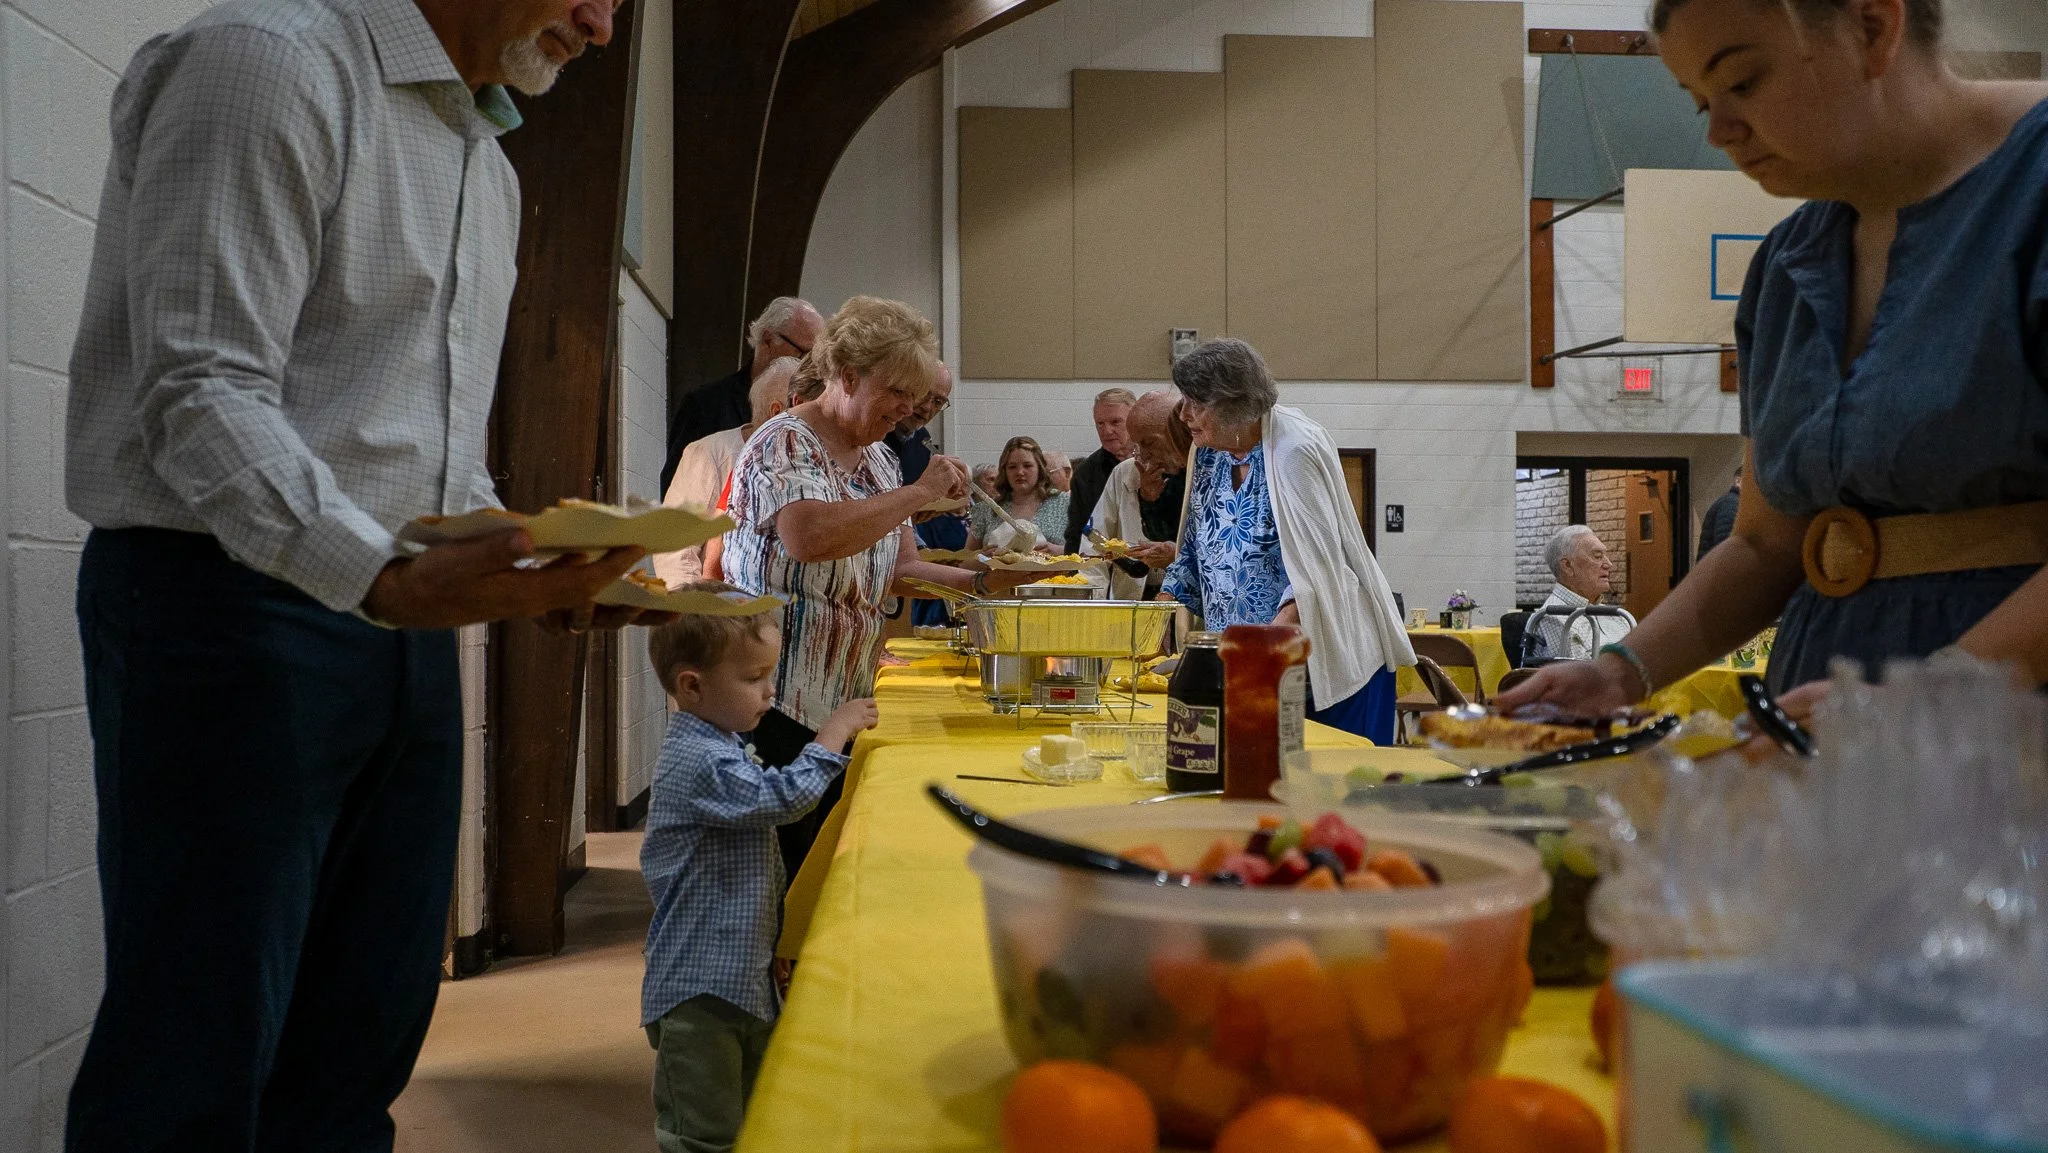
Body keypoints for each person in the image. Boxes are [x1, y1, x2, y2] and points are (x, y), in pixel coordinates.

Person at [62, 0, 665, 1148]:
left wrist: (532, 560)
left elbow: (413, 441)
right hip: (221, 608)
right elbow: (200, 387)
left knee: (360, 1038)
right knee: (195, 1047)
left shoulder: (484, 166)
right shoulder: (272, 61)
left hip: (390, 620)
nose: (596, 25)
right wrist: (379, 577)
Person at [1501, 0, 2048, 721]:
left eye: (1745, 82)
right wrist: (1619, 671)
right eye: (1700, 103)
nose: (1718, 132)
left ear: (1872, 27)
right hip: (1825, 720)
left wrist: (1927, 702)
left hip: (2007, 727)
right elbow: (1764, 544)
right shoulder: (1788, 265)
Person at [721, 297, 1029, 877]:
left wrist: (986, 585)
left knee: (818, 868)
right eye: (896, 393)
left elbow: (895, 569)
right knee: (768, 875)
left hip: (841, 702)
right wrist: (920, 493)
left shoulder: (878, 462)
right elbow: (808, 536)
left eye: (915, 398)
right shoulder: (785, 441)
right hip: (774, 700)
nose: (908, 409)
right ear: (847, 375)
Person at [639, 585, 877, 1153]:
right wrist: (834, 732)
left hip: (739, 975)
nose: (770, 692)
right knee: (700, 1132)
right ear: (692, 685)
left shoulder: (723, 742)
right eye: (753, 678)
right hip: (699, 990)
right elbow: (786, 799)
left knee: (752, 1116)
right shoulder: (697, 758)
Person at [1157, 339, 1414, 742]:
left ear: (1234, 404)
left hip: (1320, 663)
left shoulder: (1293, 451)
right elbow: (1193, 548)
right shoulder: (1208, 452)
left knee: (1325, 794)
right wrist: (1157, 615)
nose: (1185, 414)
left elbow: (1315, 569)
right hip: (1251, 664)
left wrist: (1261, 649)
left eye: (1196, 403)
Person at [654, 357, 800, 588]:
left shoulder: (807, 462)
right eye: (805, 411)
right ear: (776, 412)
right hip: (718, 613)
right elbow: (675, 546)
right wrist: (693, 613)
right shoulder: (710, 453)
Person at [661, 297, 825, 493]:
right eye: (804, 354)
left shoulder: (814, 408)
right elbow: (674, 487)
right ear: (768, 340)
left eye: (814, 358)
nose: (808, 365)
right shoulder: (705, 405)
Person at [882, 365, 971, 626]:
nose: (927, 407)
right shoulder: (877, 437)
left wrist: (918, 509)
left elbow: (903, 510)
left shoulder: (922, 441)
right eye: (925, 395)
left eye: (939, 402)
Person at [1083, 389, 1188, 599]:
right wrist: (1093, 602)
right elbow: (1094, 542)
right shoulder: (1126, 471)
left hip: (1187, 594)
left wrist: (1177, 555)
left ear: (1177, 432)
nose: (1143, 453)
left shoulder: (1202, 471)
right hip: (1138, 593)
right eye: (1137, 444)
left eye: (1148, 443)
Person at [1528, 526, 1638, 661]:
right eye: (1598, 557)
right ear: (1567, 566)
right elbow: (1579, 678)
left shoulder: (1618, 616)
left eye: (1605, 556)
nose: (1609, 564)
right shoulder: (1554, 619)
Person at [1062, 388, 1138, 553]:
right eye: (1100, 424)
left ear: (1134, 420)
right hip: (1102, 565)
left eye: (1115, 422)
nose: (1106, 431)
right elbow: (1076, 532)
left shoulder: (1158, 461)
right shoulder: (1086, 474)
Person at [968, 437, 1072, 553]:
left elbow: (1088, 552)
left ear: (1040, 468)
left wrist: (1058, 550)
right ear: (1004, 471)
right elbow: (965, 561)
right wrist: (983, 558)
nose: (1020, 472)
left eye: (1027, 466)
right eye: (1012, 467)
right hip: (997, 571)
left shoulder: (1065, 504)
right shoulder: (986, 509)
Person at [1695, 473, 1742, 562]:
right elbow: (1725, 542)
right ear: (1738, 481)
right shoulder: (1731, 503)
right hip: (1719, 569)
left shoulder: (1731, 502)